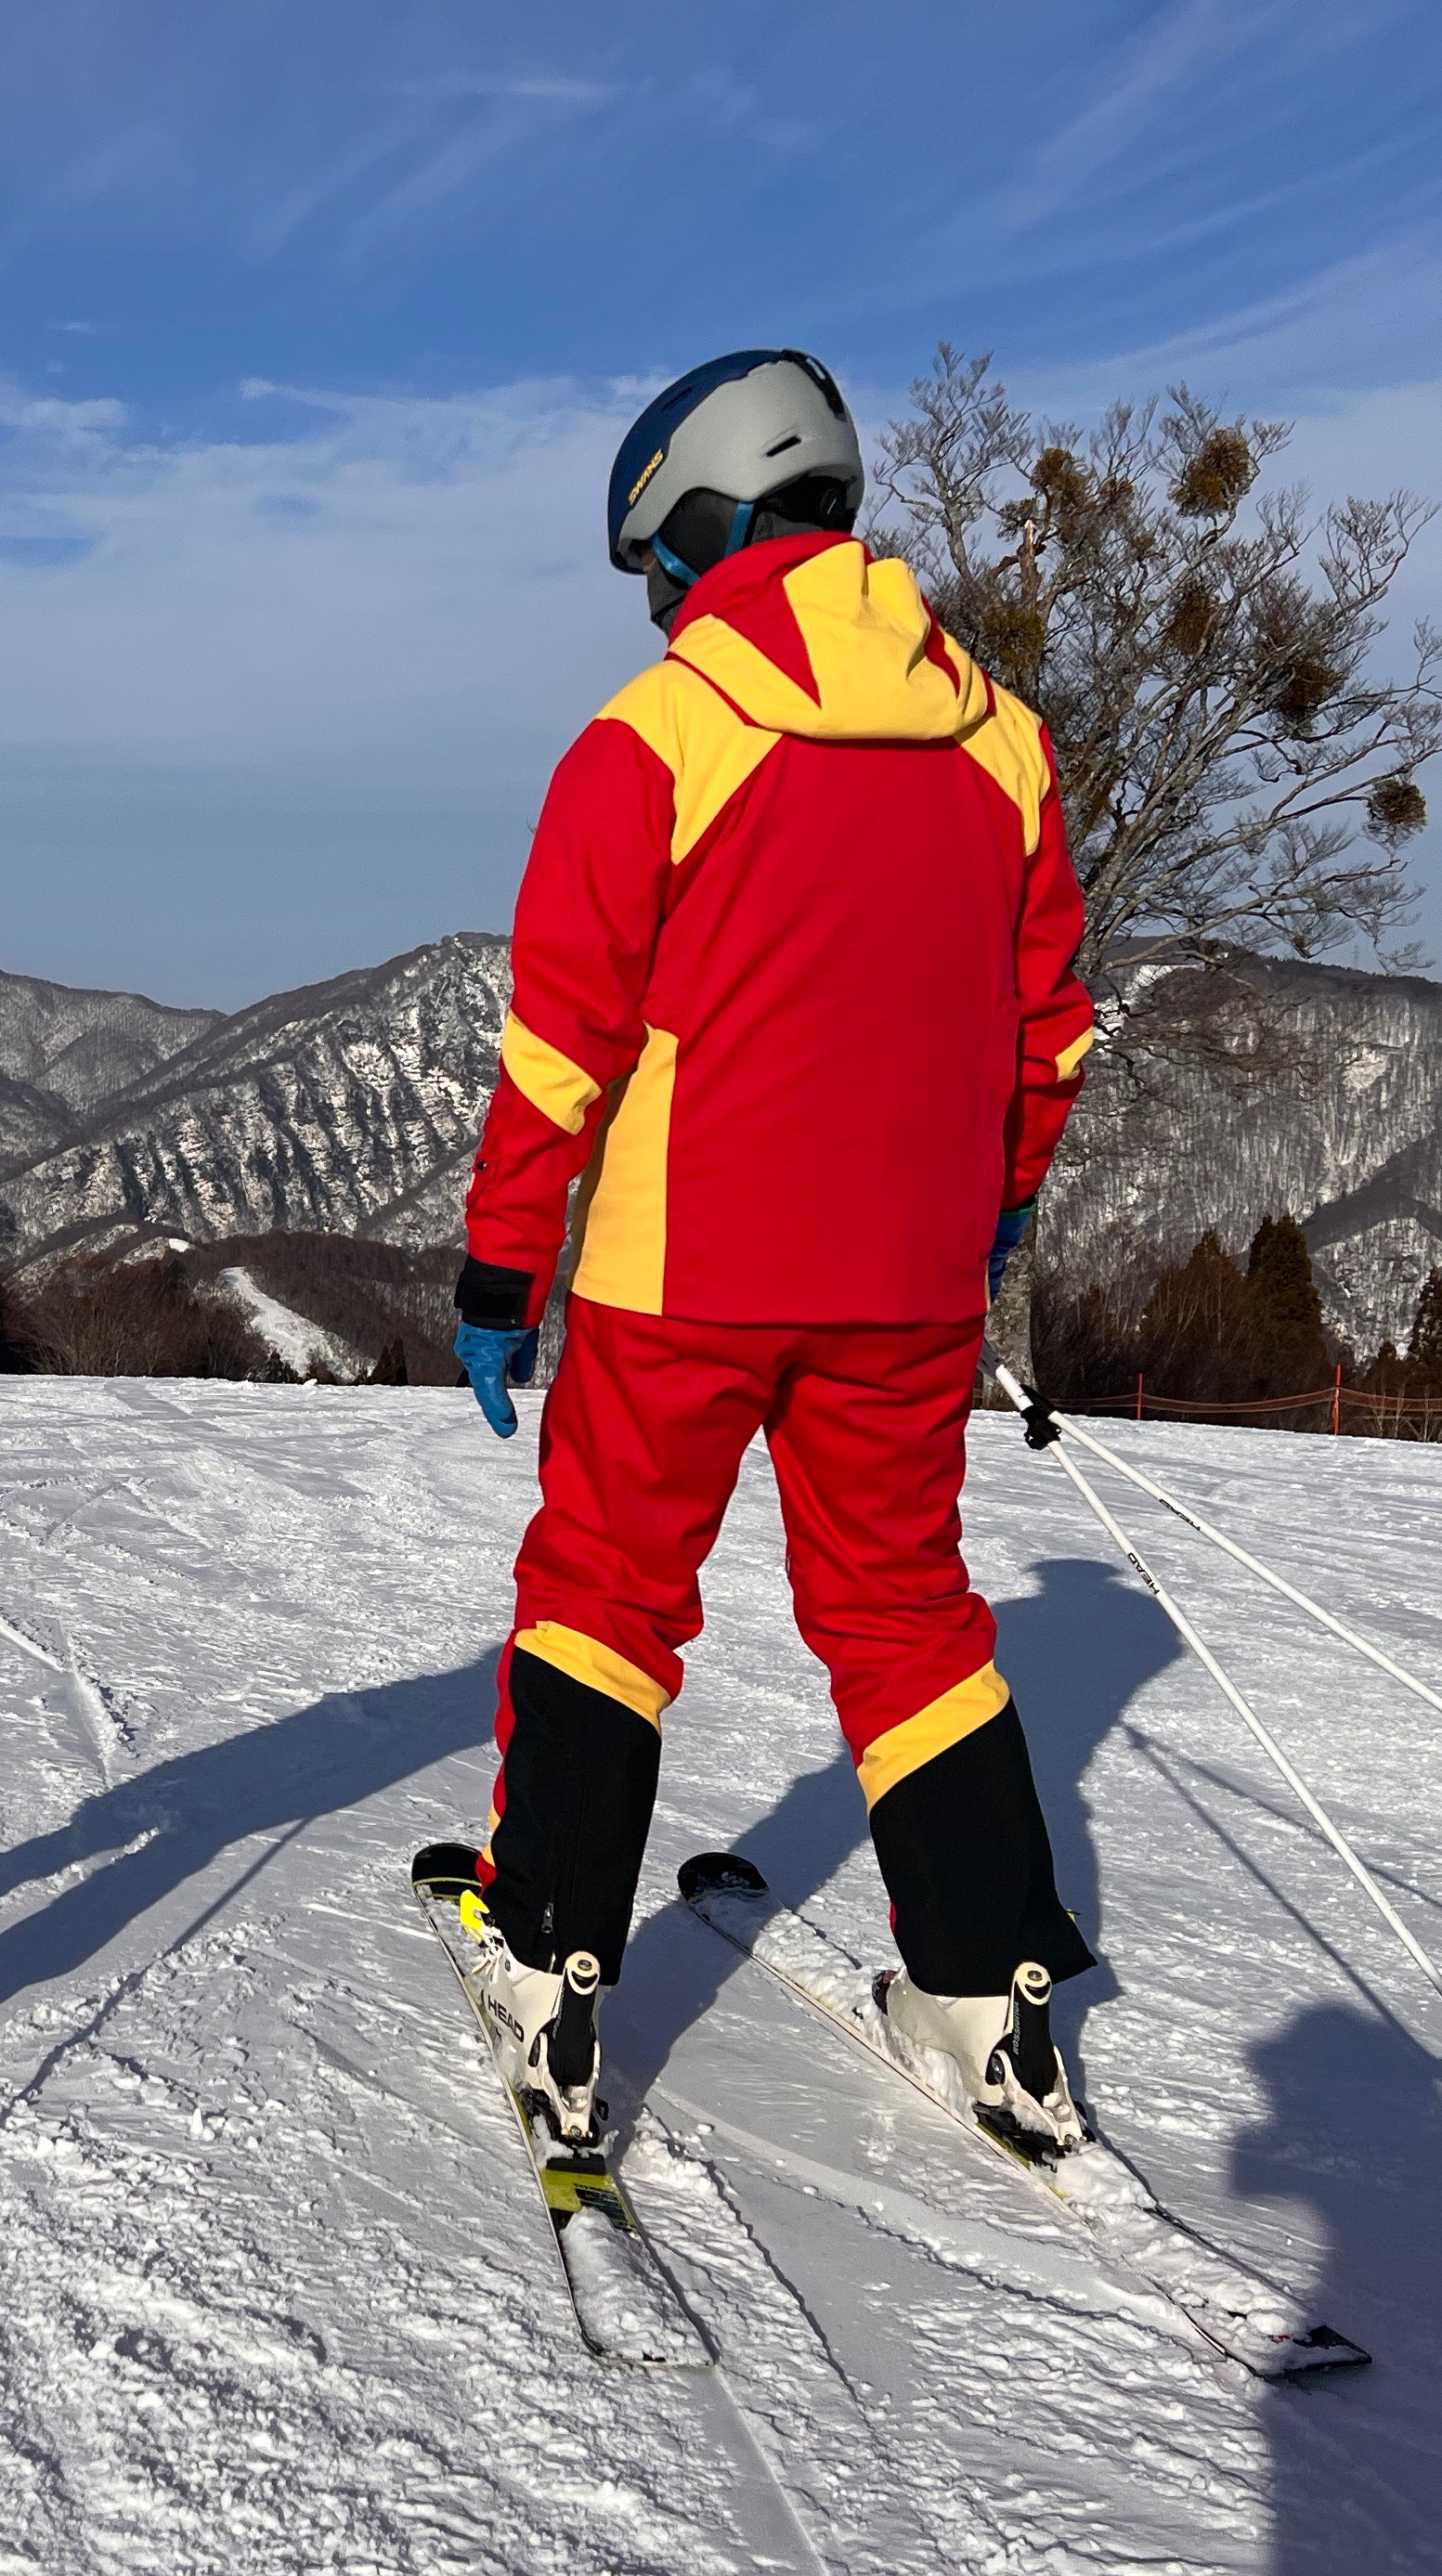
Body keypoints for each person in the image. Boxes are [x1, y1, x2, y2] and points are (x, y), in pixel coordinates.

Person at [434, 348, 1100, 2153]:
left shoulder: (657, 734)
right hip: (908, 1282)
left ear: (700, 522)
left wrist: (503, 1272)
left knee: (606, 1589)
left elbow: (560, 1045)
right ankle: (990, 2002)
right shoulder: (1003, 740)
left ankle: (551, 1965)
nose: (655, 598)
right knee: (904, 1610)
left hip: (682, 1271)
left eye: (653, 557)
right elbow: (1048, 1029)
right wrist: (997, 1204)